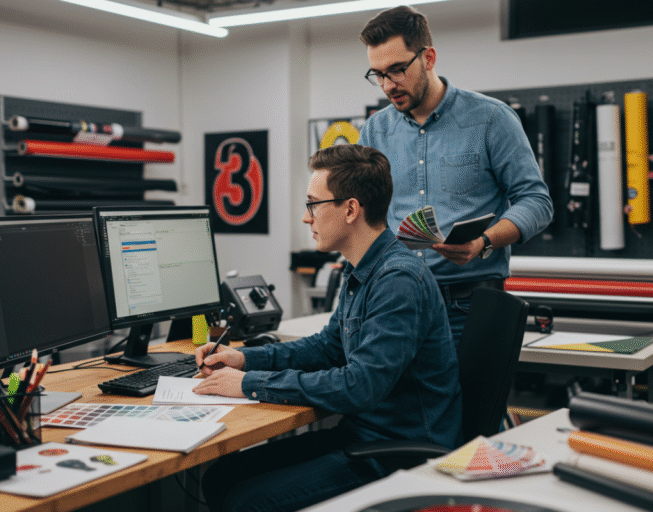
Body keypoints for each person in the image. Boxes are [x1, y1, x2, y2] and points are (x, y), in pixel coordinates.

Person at [194, 144, 462, 512]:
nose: (307, 218)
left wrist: (248, 384)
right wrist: (243, 359)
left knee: (246, 503)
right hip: (362, 435)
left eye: (313, 205)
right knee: (220, 476)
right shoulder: (360, 270)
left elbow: (360, 386)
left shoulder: (397, 279)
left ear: (350, 209)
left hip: (396, 451)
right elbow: (326, 348)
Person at [358, 6, 553, 343]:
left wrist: (483, 242)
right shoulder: (375, 131)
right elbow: (364, 212)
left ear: (428, 58)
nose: (388, 85)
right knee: (399, 399)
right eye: (378, 74)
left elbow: (536, 202)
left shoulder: (491, 119)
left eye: (398, 70)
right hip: (396, 301)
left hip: (469, 305)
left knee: (471, 398)